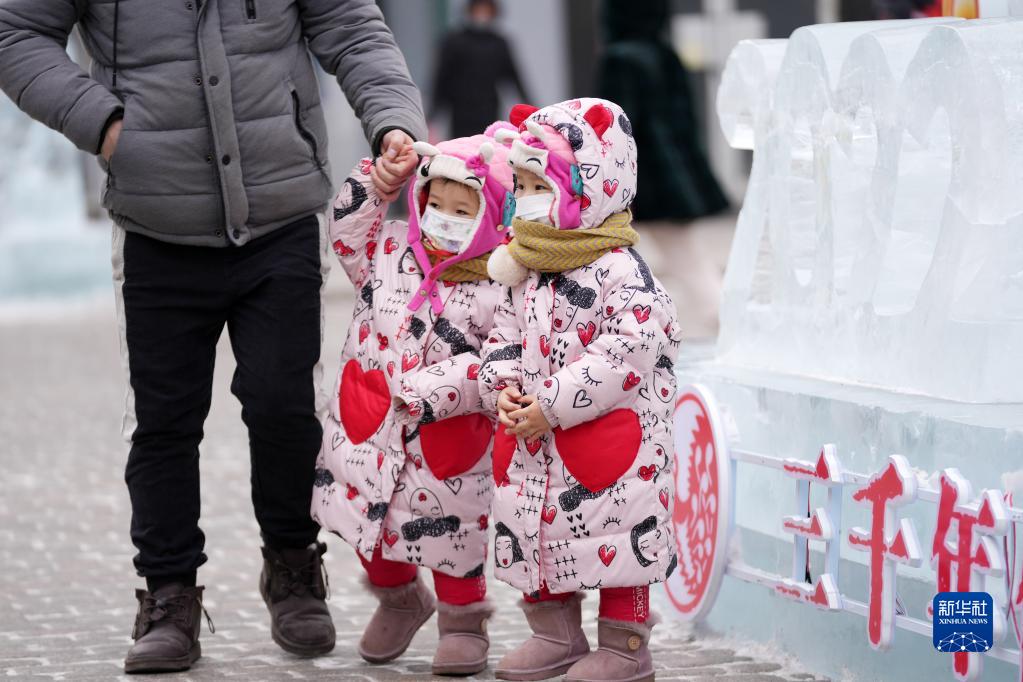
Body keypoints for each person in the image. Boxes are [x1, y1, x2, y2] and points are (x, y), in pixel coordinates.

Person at [0, 0, 425, 673]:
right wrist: (107, 125)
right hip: (154, 224)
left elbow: (350, 26)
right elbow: (14, 30)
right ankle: (168, 594)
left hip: (281, 213)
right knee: (164, 421)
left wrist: (393, 120)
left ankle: (292, 566)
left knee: (284, 406)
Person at [480, 99, 681, 682]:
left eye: (536, 183)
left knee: (622, 533)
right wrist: (506, 387)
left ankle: (625, 645)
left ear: (587, 186)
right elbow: (503, 332)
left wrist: (553, 405)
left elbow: (626, 351)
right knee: (533, 526)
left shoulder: (621, 269)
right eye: (517, 184)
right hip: (534, 436)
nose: (523, 198)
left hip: (612, 442)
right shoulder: (527, 266)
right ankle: (554, 633)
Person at [311, 124, 515, 676]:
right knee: (364, 527)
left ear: (494, 215)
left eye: (462, 208)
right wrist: (377, 186)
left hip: (444, 437)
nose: (444, 217)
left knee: (452, 533)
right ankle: (400, 599)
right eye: (435, 202)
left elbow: (501, 359)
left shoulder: (501, 284)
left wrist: (431, 390)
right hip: (370, 424)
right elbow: (347, 231)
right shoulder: (389, 250)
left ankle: (463, 621)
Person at [597, 0, 728, 222]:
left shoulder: (620, 59)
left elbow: (614, 128)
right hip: (679, 174)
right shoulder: (664, 54)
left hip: (647, 180)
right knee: (678, 248)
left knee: (658, 248)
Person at [431, 0, 530, 138]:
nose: (482, 14)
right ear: (470, 11)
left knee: (489, 147)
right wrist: (432, 116)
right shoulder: (454, 41)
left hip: (489, 109)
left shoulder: (499, 43)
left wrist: (531, 109)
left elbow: (514, 78)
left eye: (486, 10)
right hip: (461, 112)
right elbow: (441, 80)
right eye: (479, 9)